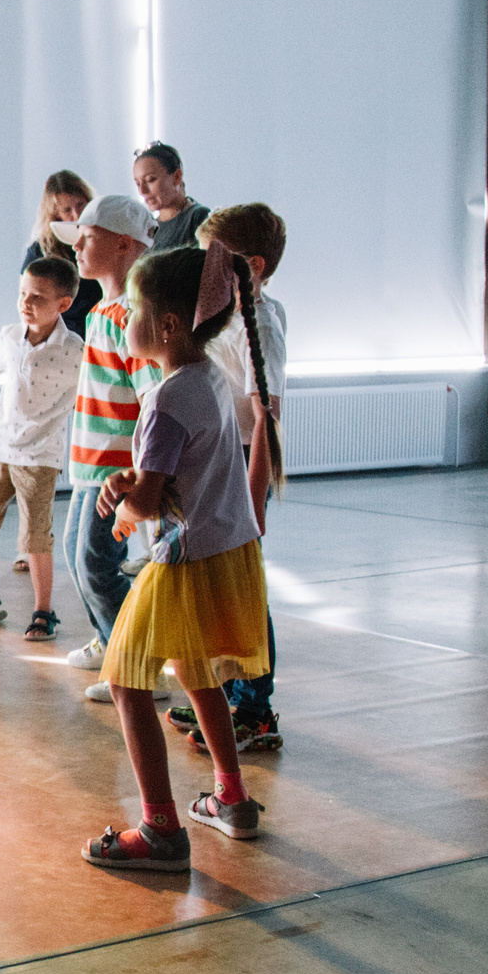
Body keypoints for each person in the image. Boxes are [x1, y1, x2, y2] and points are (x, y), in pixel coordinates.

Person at [82, 243, 281, 872]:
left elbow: (146, 500)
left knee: (125, 680)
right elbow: (179, 475)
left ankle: (161, 829)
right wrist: (137, 485)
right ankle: (232, 797)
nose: (124, 317)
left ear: (167, 326)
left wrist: (119, 496)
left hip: (185, 559)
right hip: (229, 549)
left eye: (134, 308)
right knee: (196, 673)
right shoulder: (211, 380)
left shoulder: (163, 401)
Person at [171, 204, 289, 754]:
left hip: (243, 460)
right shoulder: (222, 315)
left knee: (241, 587)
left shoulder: (260, 323)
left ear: (253, 266)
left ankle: (254, 708)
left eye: (215, 259)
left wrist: (256, 500)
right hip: (218, 455)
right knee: (213, 580)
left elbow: (268, 417)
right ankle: (219, 690)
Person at [47, 195, 163, 700]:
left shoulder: (132, 317)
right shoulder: (100, 313)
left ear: (122, 244)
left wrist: (142, 472)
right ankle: (108, 639)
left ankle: (137, 670)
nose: (76, 248)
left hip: (116, 470)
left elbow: (153, 400)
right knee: (79, 559)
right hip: (91, 465)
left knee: (97, 563)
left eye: (86, 238)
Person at [0, 256, 86, 643]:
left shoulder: (75, 351)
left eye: (37, 297)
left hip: (40, 457)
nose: (26, 302)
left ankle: (44, 610)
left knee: (35, 539)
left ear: (63, 304)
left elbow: (89, 396)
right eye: (22, 293)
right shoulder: (10, 336)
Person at [22, 169, 104, 338]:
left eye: (81, 205)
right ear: (55, 215)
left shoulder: (105, 239)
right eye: (67, 210)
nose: (77, 215)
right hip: (61, 337)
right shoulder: (41, 250)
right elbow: (25, 296)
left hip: (101, 329)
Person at [132, 141, 210, 253]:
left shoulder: (198, 218)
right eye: (138, 183)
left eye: (151, 180)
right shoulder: (149, 229)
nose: (142, 191)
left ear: (177, 177)